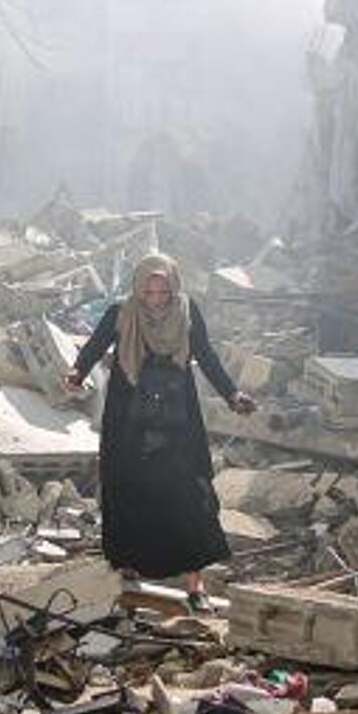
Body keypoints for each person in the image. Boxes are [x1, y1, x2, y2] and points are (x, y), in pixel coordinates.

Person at [64, 253, 254, 610]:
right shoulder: (121, 313)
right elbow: (94, 347)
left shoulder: (187, 312)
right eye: (149, 292)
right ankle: (127, 572)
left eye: (163, 292)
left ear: (174, 288)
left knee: (187, 496)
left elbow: (206, 355)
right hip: (129, 420)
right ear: (138, 288)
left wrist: (232, 394)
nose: (155, 300)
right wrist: (76, 373)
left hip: (176, 420)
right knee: (127, 491)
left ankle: (195, 586)